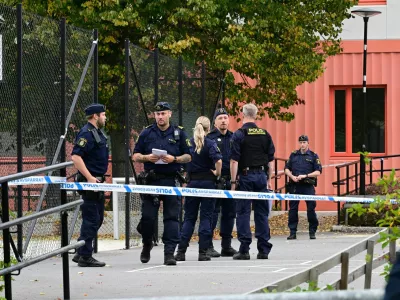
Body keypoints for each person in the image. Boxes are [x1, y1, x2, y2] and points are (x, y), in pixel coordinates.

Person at [133, 102, 191, 266]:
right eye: (157, 114)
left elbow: (189, 156)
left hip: (171, 179)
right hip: (151, 180)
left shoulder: (179, 133)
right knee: (148, 218)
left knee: (172, 218)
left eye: (163, 113)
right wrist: (146, 158)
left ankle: (169, 253)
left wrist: (175, 159)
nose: (160, 117)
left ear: (169, 114)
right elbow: (135, 155)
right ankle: (146, 244)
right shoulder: (147, 132)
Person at [230, 103, 275, 260]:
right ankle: (263, 249)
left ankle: (244, 249)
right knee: (261, 213)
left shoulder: (239, 134)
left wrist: (233, 183)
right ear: (256, 115)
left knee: (243, 212)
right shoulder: (265, 134)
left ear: (243, 114)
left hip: (245, 176)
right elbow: (271, 160)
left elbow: (234, 161)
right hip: (261, 176)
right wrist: (269, 179)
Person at [174, 116, 222, 261]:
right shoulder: (210, 143)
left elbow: (182, 161)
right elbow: (218, 160)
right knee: (206, 217)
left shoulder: (189, 144)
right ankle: (203, 252)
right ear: (209, 128)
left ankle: (181, 252)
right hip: (208, 183)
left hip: (192, 183)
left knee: (189, 218)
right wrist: (217, 173)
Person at [71, 103, 109, 267]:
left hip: (97, 182)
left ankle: (81, 250)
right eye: (103, 115)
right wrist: (89, 177)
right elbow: (76, 157)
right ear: (95, 116)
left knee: (97, 218)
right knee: (92, 219)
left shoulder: (97, 132)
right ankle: (85, 255)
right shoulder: (87, 133)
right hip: (90, 183)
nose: (105, 117)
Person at [207, 108, 238, 257]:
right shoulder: (209, 137)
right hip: (214, 180)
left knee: (229, 214)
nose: (224, 120)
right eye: (220, 118)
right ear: (215, 122)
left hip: (230, 180)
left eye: (226, 117)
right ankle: (208, 245)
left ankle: (226, 246)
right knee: (212, 213)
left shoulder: (234, 137)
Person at [284, 135, 322, 240]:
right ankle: (292, 232)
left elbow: (318, 172)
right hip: (295, 185)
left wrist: (305, 176)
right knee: (292, 209)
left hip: (307, 186)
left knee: (311, 209)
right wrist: (292, 176)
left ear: (308, 143)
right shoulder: (294, 155)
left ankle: (312, 231)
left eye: (304, 142)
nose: (302, 144)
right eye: (300, 142)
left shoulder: (313, 156)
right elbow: (286, 168)